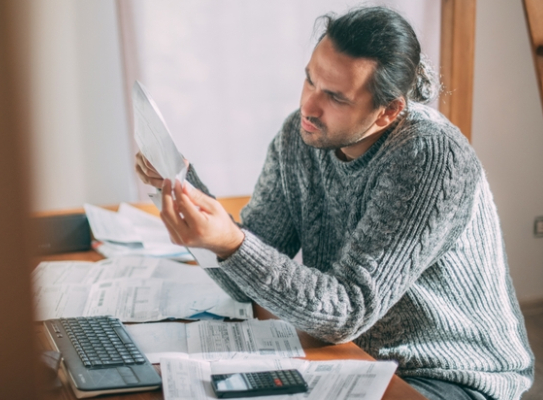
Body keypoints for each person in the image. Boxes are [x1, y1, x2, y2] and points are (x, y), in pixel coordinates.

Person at [135, 7, 534, 400]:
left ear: (389, 110)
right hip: (354, 355)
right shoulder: (301, 136)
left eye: (335, 97)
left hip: (449, 372)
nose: (308, 107)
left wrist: (232, 244)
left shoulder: (429, 156)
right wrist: (190, 200)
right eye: (310, 80)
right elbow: (246, 284)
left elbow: (349, 310)